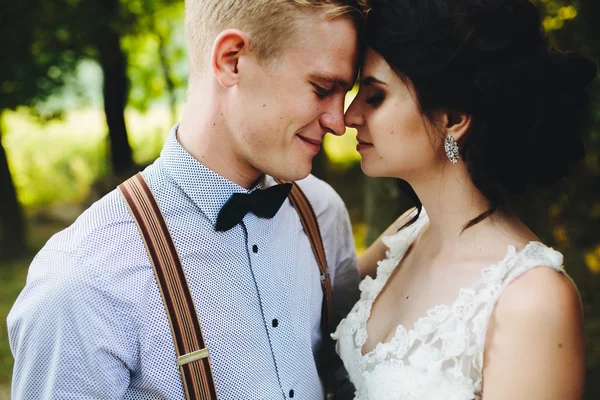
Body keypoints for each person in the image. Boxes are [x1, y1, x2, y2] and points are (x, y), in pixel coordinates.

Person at [7, 1, 365, 398]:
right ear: (232, 61)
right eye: (321, 89)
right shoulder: (83, 282)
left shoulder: (322, 213)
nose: (339, 121)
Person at [333, 0, 596, 399]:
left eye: (374, 97)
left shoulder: (532, 298)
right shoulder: (406, 232)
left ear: (453, 119)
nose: (349, 117)